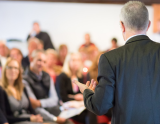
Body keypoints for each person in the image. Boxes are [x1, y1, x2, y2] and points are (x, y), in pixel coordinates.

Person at [73, 1, 160, 124]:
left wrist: (87, 92)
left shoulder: (110, 58)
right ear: (149, 25)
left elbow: (100, 106)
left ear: (122, 25)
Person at [23, 50, 72, 124]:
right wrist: (54, 119)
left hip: (53, 110)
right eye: (39, 60)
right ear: (31, 59)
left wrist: (39, 102)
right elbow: (34, 107)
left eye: (44, 62)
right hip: (39, 115)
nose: (42, 64)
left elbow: (54, 99)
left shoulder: (47, 76)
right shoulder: (24, 79)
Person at [56, 53, 98, 124]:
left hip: (79, 106)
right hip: (67, 107)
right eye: (73, 60)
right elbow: (62, 97)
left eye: (78, 60)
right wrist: (75, 97)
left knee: (91, 110)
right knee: (90, 113)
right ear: (68, 62)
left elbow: (82, 94)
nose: (76, 63)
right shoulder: (62, 76)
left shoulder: (80, 76)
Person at [0, 58, 43, 124]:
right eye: (10, 67)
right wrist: (29, 119)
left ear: (19, 71)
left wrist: (37, 118)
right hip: (17, 121)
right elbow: (5, 117)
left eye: (16, 68)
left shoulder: (23, 87)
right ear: (5, 70)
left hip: (29, 120)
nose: (13, 70)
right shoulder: (1, 89)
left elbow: (31, 109)